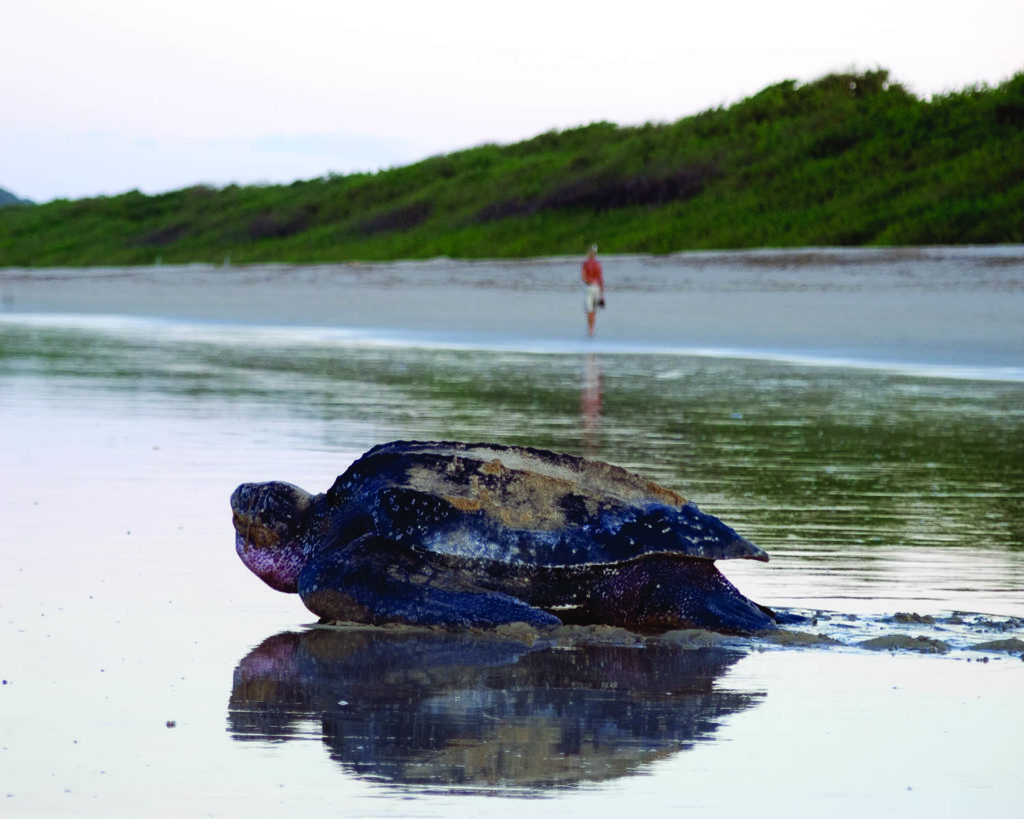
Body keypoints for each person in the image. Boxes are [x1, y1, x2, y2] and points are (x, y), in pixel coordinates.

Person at [580, 244, 605, 336]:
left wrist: (588, 281)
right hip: (597, 287)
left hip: (589, 287)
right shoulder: (598, 264)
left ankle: (590, 329)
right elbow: (600, 279)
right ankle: (592, 329)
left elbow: (583, 277)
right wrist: (602, 294)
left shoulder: (585, 264)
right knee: (594, 310)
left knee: (589, 310)